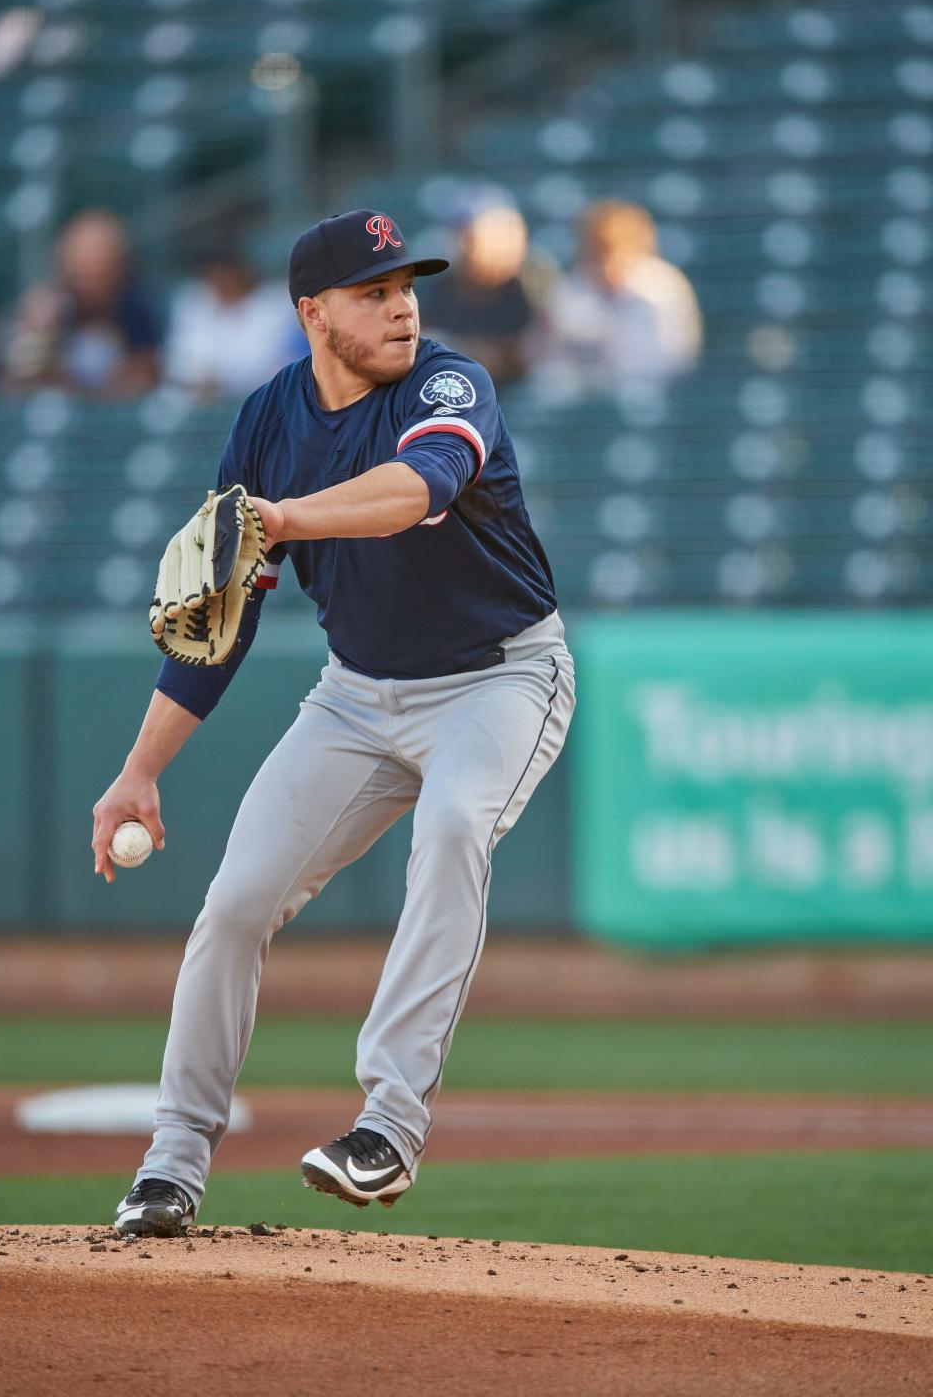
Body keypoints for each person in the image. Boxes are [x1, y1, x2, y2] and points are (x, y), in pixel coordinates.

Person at [92, 209, 576, 1235]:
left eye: (407, 288)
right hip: (357, 696)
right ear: (314, 313)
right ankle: (172, 1164)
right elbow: (222, 617)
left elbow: (416, 489)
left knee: (453, 829)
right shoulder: (270, 419)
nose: (403, 308)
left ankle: (389, 1126)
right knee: (234, 903)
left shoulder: (450, 382)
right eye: (375, 293)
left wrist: (285, 516)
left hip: (500, 681)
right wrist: (138, 771)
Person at [534, 200, 702, 398]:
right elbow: (545, 354)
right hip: (585, 394)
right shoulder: (576, 284)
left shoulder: (662, 287)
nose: (606, 262)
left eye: (614, 250)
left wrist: (606, 340)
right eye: (597, 251)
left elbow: (675, 360)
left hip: (652, 393)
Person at [3, 209, 161, 397]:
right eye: (84, 266)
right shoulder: (47, 309)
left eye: (102, 263)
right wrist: (40, 335)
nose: (93, 274)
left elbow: (144, 381)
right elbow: (19, 386)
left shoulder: (137, 308)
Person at [417, 204, 537, 389]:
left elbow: (531, 354)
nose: (469, 250)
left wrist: (483, 352)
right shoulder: (441, 288)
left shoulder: (528, 286)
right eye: (466, 239)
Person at [164, 248, 309, 400]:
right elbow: (178, 363)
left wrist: (222, 382)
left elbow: (268, 366)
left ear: (241, 272)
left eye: (226, 273)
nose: (222, 281)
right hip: (193, 401)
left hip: (254, 401)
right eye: (214, 275)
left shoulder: (274, 303)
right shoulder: (193, 302)